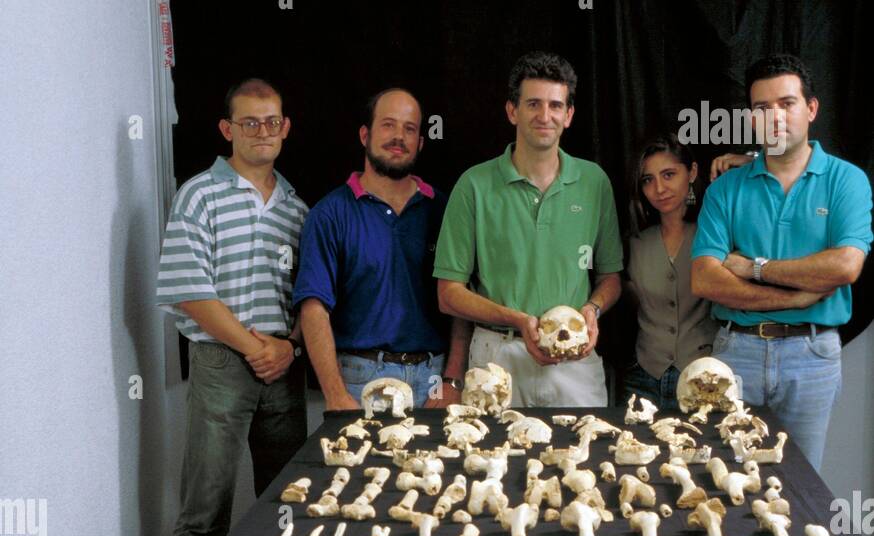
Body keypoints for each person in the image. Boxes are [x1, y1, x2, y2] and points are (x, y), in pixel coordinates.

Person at [157, 77, 309, 536]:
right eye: (249, 122)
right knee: (206, 511)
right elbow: (189, 291)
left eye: (272, 121)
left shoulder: (296, 207)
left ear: (285, 128)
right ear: (228, 129)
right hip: (223, 362)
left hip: (283, 368)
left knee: (286, 503)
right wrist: (255, 348)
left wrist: (286, 348)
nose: (262, 131)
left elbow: (307, 297)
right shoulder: (199, 195)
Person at [691, 54, 872, 473]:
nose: (774, 117)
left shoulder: (847, 180)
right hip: (737, 351)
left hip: (812, 355)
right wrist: (802, 293)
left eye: (786, 103)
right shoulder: (726, 189)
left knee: (801, 485)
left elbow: (845, 266)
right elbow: (704, 279)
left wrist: (755, 268)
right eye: (761, 108)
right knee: (728, 481)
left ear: (811, 109)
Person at [434, 51, 623, 408]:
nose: (544, 115)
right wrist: (519, 321)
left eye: (555, 105)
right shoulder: (474, 185)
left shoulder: (595, 182)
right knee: (490, 463)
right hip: (497, 357)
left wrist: (593, 310)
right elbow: (449, 294)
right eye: (533, 104)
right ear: (512, 111)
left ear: (569, 115)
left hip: (574, 357)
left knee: (585, 460)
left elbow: (611, 277)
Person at [294, 88, 469, 410]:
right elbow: (313, 308)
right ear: (365, 134)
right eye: (388, 125)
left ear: (421, 141)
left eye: (410, 128)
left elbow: (461, 299)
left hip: (435, 376)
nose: (398, 137)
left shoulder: (446, 209)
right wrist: (335, 394)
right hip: (360, 377)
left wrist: (453, 380)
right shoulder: (330, 213)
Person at [623, 134, 717, 413]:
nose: (659, 188)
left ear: (692, 173)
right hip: (642, 379)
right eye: (648, 180)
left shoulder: (714, 235)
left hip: (703, 380)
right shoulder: (634, 241)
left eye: (669, 174)